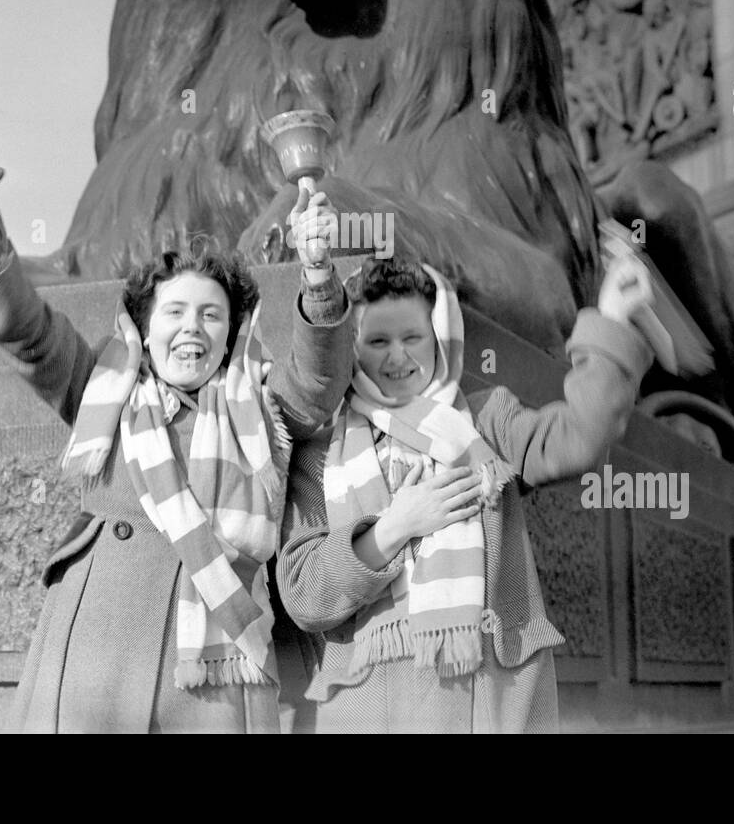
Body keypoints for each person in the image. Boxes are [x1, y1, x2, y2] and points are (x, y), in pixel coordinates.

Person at [0, 128, 353, 733]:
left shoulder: (262, 411)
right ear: (144, 330)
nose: (193, 328)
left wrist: (317, 276)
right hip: (91, 660)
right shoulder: (101, 389)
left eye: (212, 314)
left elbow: (318, 383)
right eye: (175, 312)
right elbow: (21, 326)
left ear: (231, 335)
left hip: (213, 684)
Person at [275, 253, 655, 733]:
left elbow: (580, 436)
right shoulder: (319, 453)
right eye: (377, 340)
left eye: (412, 337)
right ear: (352, 349)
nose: (397, 356)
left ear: (441, 338)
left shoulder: (486, 422)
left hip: (490, 705)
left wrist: (611, 321)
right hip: (371, 712)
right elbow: (305, 596)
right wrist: (395, 527)